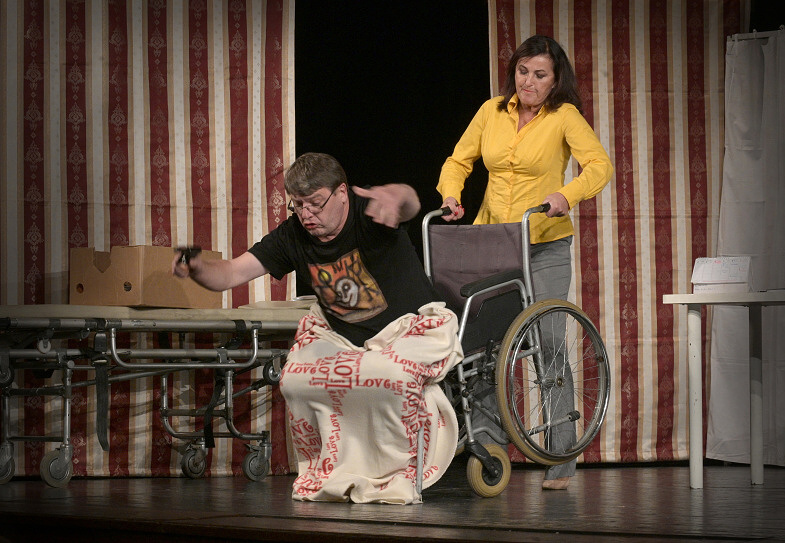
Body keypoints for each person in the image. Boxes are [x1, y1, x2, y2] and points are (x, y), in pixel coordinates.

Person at [173, 152, 463, 504]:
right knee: (295, 378)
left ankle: (400, 474)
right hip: (346, 340)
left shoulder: (368, 212)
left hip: (408, 329)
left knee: (389, 373)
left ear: (342, 193)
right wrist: (198, 267)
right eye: (298, 205)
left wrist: (401, 195)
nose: (306, 214)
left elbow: (407, 203)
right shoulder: (293, 235)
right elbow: (232, 273)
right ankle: (333, 470)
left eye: (315, 203)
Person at [437, 35, 614, 490]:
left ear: (555, 80)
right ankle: (490, 448)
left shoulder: (564, 116)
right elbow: (458, 160)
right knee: (485, 349)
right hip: (493, 243)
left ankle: (561, 458)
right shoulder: (491, 112)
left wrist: (566, 195)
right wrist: (451, 195)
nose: (528, 82)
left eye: (539, 75)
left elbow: (599, 166)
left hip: (544, 244)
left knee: (547, 343)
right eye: (522, 71)